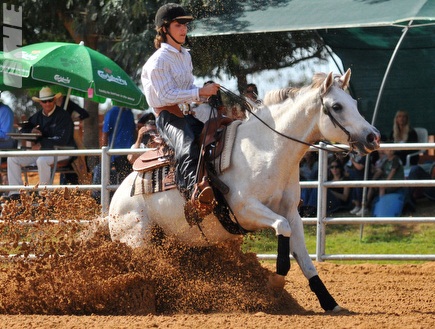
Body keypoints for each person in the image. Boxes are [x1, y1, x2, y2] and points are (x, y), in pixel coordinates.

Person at [141, 3, 220, 212]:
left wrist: (204, 92)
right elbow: (166, 95)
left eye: (185, 25)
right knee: (187, 144)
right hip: (167, 117)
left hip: (185, 115)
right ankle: (193, 195)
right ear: (164, 29)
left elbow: (185, 90)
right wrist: (200, 93)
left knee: (218, 135)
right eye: (178, 25)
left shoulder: (185, 55)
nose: (184, 29)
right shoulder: (157, 61)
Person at [7, 87, 76, 197]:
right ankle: (16, 194)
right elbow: (25, 128)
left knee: (42, 161)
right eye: (44, 101)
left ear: (54, 100)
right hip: (43, 151)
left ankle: (44, 196)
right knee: (12, 158)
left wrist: (42, 144)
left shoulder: (64, 116)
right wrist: (31, 130)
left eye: (50, 100)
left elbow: (63, 140)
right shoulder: (38, 116)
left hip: (63, 150)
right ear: (40, 103)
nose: (47, 103)